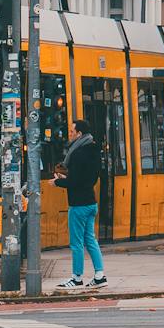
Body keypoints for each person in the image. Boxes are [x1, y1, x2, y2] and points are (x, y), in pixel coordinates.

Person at [53, 117, 107, 289]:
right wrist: (68, 178)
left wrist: (58, 182)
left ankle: (76, 278)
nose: (69, 134)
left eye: (71, 131)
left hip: (78, 204)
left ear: (79, 134)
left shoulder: (77, 153)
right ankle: (100, 275)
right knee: (90, 240)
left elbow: (75, 180)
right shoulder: (94, 150)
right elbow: (87, 178)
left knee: (76, 243)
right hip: (91, 202)